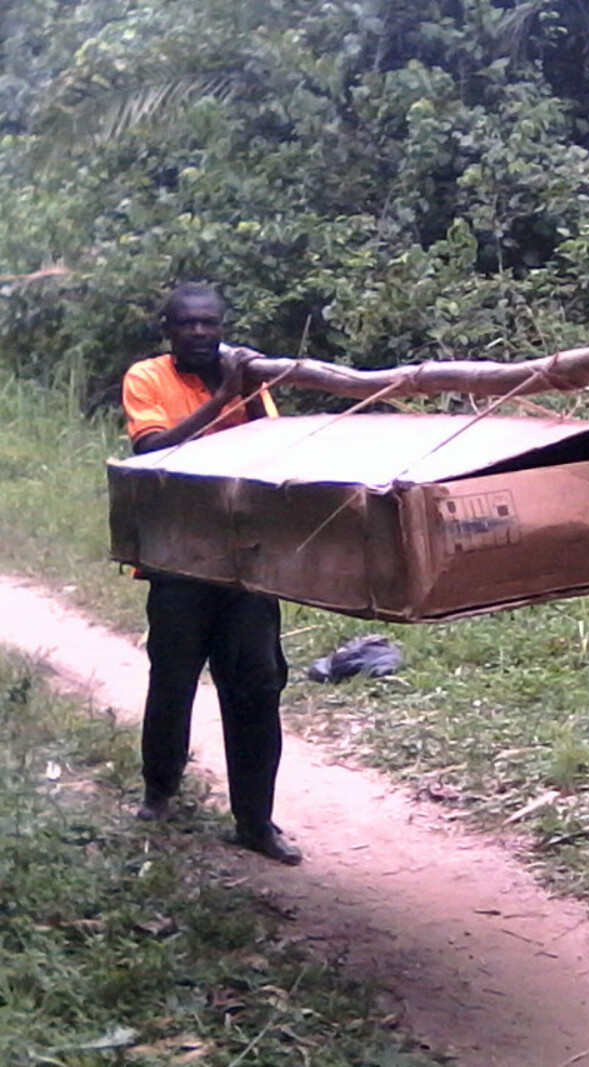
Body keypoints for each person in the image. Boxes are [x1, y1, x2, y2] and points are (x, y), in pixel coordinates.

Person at [120, 281, 302, 866]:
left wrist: (245, 390)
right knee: (173, 678)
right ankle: (159, 792)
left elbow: (271, 447)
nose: (200, 333)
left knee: (256, 688)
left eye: (210, 323)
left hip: (245, 558)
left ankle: (255, 821)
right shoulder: (146, 378)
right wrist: (222, 393)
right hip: (176, 557)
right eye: (188, 324)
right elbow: (154, 452)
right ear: (167, 329)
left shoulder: (246, 379)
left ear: (223, 327)